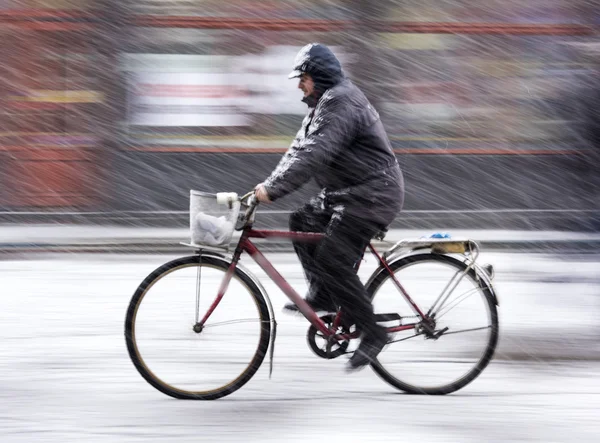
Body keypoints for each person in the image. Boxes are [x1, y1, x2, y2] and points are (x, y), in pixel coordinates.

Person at [254, 43, 405, 371]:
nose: (299, 85)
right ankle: (324, 295)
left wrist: (274, 190)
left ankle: (374, 333)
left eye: (303, 78)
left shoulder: (340, 101)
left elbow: (315, 154)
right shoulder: (322, 105)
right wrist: (265, 187)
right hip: (348, 193)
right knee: (302, 218)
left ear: (318, 76)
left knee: (333, 258)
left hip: (371, 194)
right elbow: (297, 152)